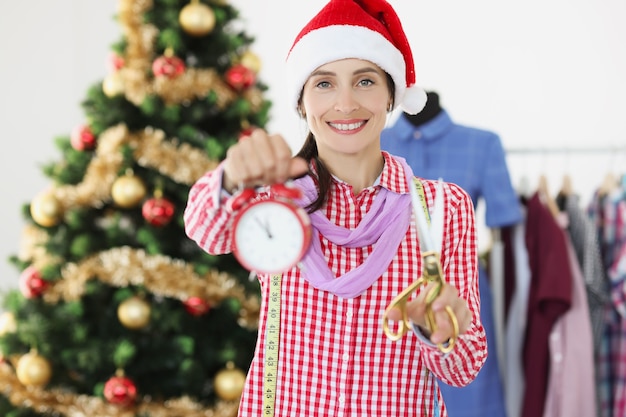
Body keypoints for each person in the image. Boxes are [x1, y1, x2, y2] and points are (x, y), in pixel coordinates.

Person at [184, 1, 487, 416]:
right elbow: (205, 229)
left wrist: (439, 328)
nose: (346, 104)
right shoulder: (274, 194)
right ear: (301, 102)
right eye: (324, 84)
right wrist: (232, 176)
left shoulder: (442, 208)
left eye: (365, 81)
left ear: (391, 95)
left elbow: (464, 368)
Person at [382, 92, 523, 417]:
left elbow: (503, 222)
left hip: (461, 289)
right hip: (390, 297)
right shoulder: (374, 141)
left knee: (469, 390)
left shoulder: (483, 144)